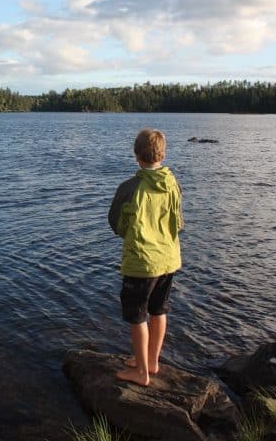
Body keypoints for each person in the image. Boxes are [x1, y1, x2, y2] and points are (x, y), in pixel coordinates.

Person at [108, 128, 183, 386]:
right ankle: (152, 361)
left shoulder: (130, 188)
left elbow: (116, 222)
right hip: (168, 259)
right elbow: (179, 223)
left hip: (141, 261)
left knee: (137, 315)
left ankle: (141, 373)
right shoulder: (173, 183)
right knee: (159, 310)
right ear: (162, 153)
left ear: (136, 155)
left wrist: (131, 235)